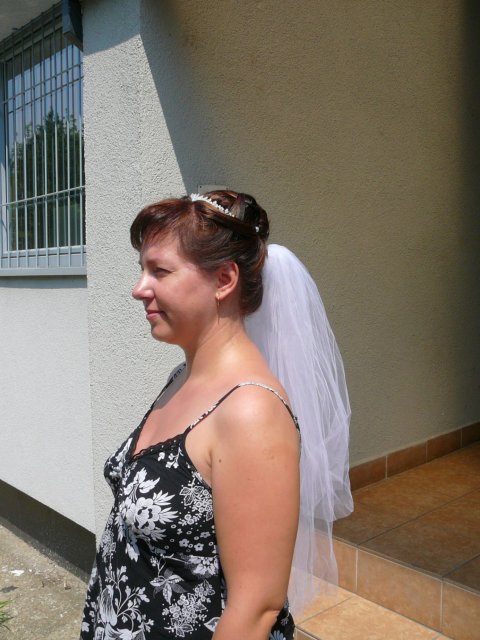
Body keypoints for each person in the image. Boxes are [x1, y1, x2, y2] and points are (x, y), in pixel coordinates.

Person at [80, 190, 352, 640]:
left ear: (224, 279)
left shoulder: (251, 413)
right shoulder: (181, 377)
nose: (139, 289)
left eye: (160, 271)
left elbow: (256, 607)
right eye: (142, 269)